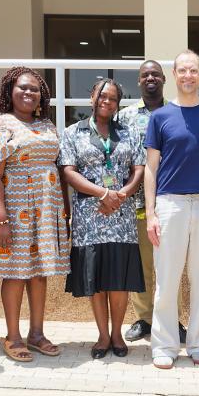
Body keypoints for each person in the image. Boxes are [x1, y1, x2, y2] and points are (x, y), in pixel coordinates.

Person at [0, 66, 71, 363]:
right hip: (15, 212)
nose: (28, 93)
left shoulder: (47, 125)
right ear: (9, 92)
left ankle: (37, 333)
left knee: (40, 272)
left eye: (34, 89)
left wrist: (64, 211)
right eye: (22, 88)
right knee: (15, 274)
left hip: (46, 209)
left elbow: (58, 169)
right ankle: (13, 336)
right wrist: (0, 219)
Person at [144, 50, 199, 369]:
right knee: (167, 277)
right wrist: (151, 213)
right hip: (170, 204)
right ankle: (164, 344)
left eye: (193, 70)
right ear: (174, 75)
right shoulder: (160, 117)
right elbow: (151, 167)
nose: (188, 76)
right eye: (182, 70)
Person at [60, 79, 146, 359]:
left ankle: (118, 334)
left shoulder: (130, 132)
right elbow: (69, 172)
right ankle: (101, 335)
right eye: (101, 96)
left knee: (118, 279)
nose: (106, 101)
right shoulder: (73, 132)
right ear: (91, 98)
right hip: (90, 216)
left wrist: (119, 195)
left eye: (112, 98)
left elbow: (139, 169)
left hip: (121, 215)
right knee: (95, 278)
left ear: (118, 103)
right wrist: (103, 194)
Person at [117, 61, 186, 344]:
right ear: (138, 81)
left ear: (164, 79)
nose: (150, 79)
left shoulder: (177, 112)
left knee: (170, 264)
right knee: (142, 264)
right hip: (135, 201)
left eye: (155, 74)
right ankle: (145, 319)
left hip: (171, 199)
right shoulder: (125, 116)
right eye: (145, 75)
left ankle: (172, 319)